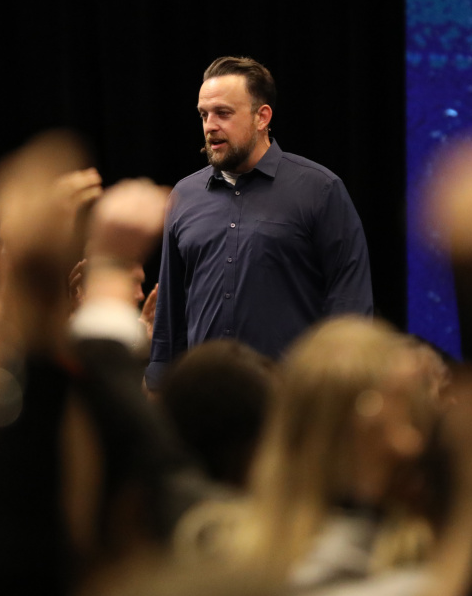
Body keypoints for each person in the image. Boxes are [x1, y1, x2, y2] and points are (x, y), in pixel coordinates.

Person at [147, 56, 373, 389]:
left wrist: (338, 388)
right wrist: (158, 383)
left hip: (290, 399)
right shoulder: (184, 195)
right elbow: (170, 309)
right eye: (204, 114)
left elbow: (349, 303)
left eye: (223, 113)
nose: (210, 126)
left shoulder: (319, 190)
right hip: (204, 400)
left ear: (262, 117)